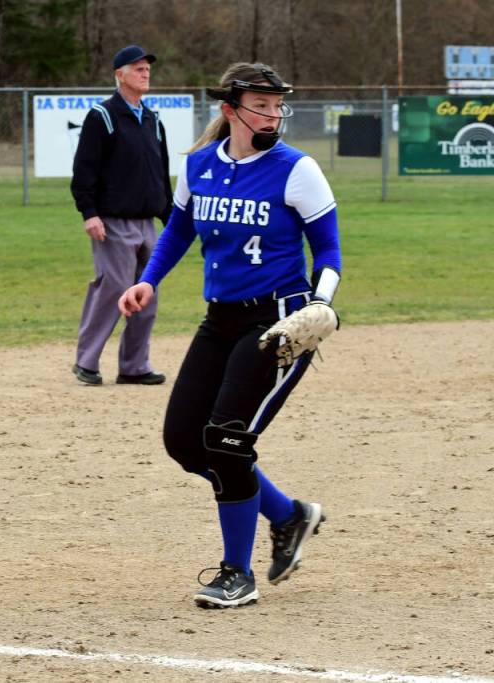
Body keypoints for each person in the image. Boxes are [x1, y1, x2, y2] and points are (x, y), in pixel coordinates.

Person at [119, 63, 341, 608]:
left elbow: (329, 252)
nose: (271, 114)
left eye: (277, 105)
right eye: (260, 105)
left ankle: (236, 574)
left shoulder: (297, 169)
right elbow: (178, 230)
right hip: (220, 320)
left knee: (227, 439)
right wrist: (147, 281)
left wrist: (320, 306)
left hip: (279, 324)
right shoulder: (198, 165)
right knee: (184, 441)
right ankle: (290, 516)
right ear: (230, 110)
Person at [70, 44, 173, 387]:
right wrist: (90, 212)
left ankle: (134, 365)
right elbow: (85, 168)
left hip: (147, 222)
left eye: (147, 68)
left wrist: (169, 214)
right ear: (120, 75)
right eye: (138, 68)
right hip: (112, 222)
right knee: (112, 287)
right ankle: (87, 360)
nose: (145, 73)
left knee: (147, 291)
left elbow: (160, 171)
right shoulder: (103, 115)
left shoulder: (153, 120)